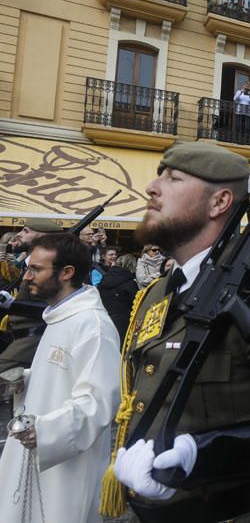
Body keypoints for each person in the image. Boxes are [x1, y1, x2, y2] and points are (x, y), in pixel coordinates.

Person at [105, 141, 250, 521]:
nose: (152, 187)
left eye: (174, 178)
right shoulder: (155, 294)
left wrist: (202, 455)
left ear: (219, 203)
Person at [0, 233, 120, 523]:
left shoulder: (93, 326)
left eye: (36, 269)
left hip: (67, 465)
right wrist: (24, 379)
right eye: (28, 267)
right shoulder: (61, 316)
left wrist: (45, 431)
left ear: (67, 273)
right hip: (36, 450)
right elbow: (61, 379)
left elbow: (99, 403)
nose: (26, 276)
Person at [0, 219, 63, 374]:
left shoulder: (56, 267)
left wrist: (12, 304)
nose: (19, 235)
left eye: (26, 231)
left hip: (33, 339)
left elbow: (55, 308)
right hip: (14, 335)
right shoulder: (26, 263)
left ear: (43, 236)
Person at [97, 253, 139, 342]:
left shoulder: (105, 277)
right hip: (124, 320)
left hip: (105, 317)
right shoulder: (129, 282)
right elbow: (136, 301)